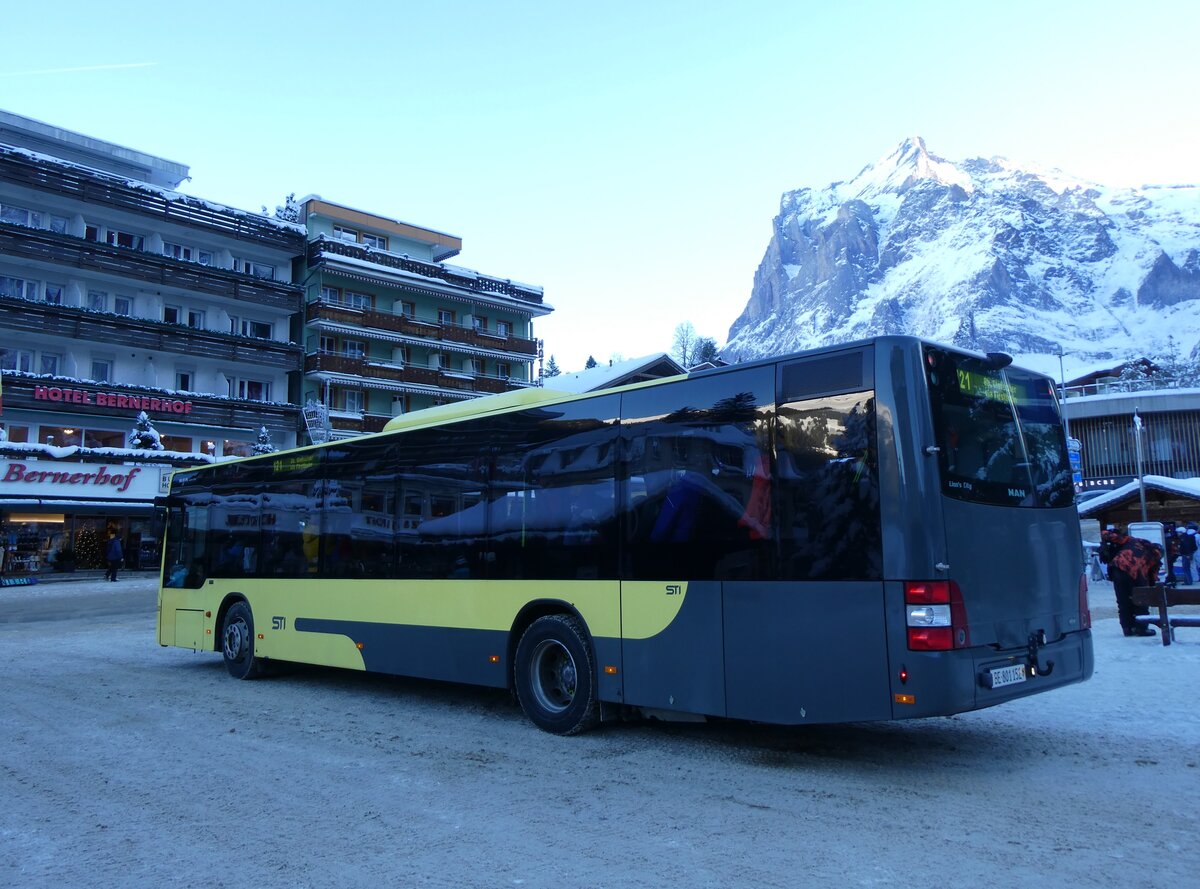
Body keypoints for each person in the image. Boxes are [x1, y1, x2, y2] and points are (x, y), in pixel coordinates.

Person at [1099, 528, 1158, 637]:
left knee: (1123, 601)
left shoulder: (1132, 540)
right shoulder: (1154, 554)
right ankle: (1141, 628)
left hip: (1116, 568)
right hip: (1133, 571)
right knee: (1141, 599)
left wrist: (1106, 535)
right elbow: (1151, 576)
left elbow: (1112, 537)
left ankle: (1127, 628)